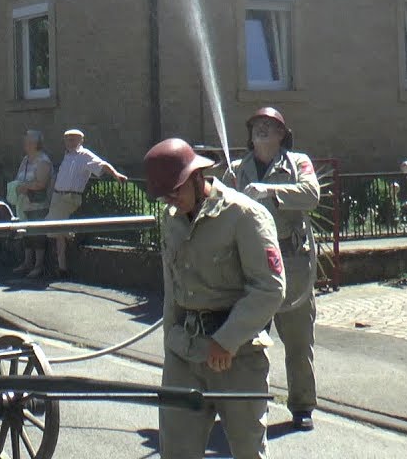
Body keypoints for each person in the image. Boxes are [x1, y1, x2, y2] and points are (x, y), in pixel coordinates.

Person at [144, 138, 285, 459]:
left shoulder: (245, 215)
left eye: (176, 190)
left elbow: (270, 288)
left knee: (247, 451)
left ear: (197, 177)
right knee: (176, 452)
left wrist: (226, 340)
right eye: (165, 194)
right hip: (185, 351)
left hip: (237, 357)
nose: (171, 199)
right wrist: (171, 342)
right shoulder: (172, 219)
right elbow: (173, 291)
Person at [230, 107, 321, 431]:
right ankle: (250, 405)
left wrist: (270, 190)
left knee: (298, 339)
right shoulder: (238, 169)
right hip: (251, 262)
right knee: (249, 340)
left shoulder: (298, 163)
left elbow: (311, 195)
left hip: (291, 260)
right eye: (256, 125)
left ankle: (302, 406)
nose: (262, 129)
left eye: (270, 126)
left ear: (283, 134)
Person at [47, 128, 128, 275]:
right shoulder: (67, 156)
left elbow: (102, 164)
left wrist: (115, 174)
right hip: (58, 197)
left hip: (69, 198)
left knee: (53, 229)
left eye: (73, 139)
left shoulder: (84, 155)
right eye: (67, 139)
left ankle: (63, 260)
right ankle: (62, 265)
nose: (69, 142)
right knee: (55, 231)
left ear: (80, 141)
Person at [10, 130, 54, 278]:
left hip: (38, 203)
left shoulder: (43, 161)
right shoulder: (25, 160)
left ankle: (38, 265)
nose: (25, 144)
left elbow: (41, 183)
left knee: (37, 235)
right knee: (26, 234)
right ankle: (27, 262)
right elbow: (19, 177)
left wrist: (26, 187)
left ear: (35, 144)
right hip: (24, 203)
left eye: (28, 142)